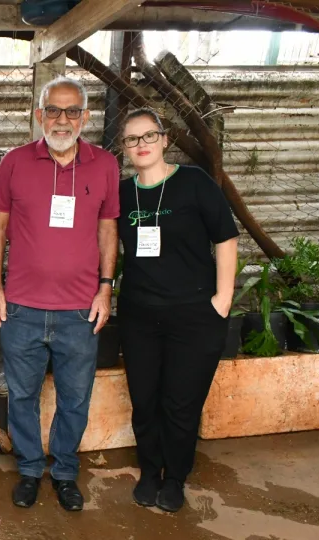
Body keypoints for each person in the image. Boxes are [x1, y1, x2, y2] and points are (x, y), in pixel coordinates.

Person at [0, 76, 120, 512]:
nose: (62, 120)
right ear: (38, 114)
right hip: (22, 307)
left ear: (85, 116)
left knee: (75, 398)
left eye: (71, 111)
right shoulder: (15, 162)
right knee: (22, 396)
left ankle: (64, 472)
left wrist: (105, 288)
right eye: (53, 110)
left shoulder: (104, 165)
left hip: (81, 310)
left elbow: (107, 229)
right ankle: (29, 470)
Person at [116, 108, 238, 513]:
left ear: (165, 139)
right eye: (132, 139)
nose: (142, 145)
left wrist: (222, 300)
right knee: (145, 400)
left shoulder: (194, 183)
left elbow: (225, 238)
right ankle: (150, 471)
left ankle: (175, 477)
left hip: (194, 315)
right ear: (124, 148)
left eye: (149, 136)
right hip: (139, 316)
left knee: (181, 403)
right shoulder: (122, 193)